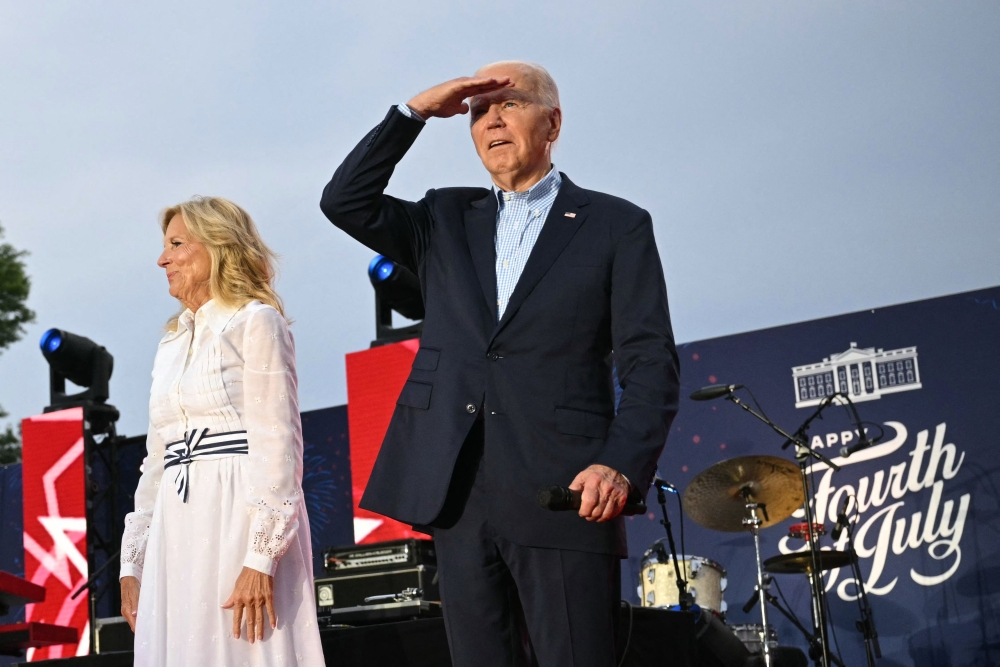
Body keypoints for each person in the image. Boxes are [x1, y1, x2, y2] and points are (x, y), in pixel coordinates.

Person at [320, 61, 680, 666]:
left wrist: (620, 465)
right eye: (478, 111)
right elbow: (345, 200)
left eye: (509, 105)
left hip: (564, 491)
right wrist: (415, 112)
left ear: (553, 123)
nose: (491, 120)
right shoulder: (444, 217)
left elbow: (650, 361)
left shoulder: (616, 224)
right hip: (459, 496)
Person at [119, 197, 324, 666]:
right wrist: (134, 562)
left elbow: (279, 446)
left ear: (218, 247)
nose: (162, 259)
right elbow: (157, 459)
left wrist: (260, 559)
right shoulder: (171, 341)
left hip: (236, 516)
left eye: (176, 244)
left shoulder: (256, 321)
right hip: (177, 525)